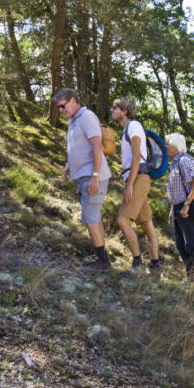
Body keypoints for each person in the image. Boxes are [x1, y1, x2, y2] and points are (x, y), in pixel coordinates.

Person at [54, 89, 112, 272]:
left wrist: (95, 176)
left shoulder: (86, 117)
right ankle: (103, 258)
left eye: (62, 106)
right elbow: (77, 148)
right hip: (82, 176)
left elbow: (97, 145)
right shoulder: (73, 121)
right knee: (93, 217)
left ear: (72, 101)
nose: (61, 110)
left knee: (90, 217)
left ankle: (102, 262)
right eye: (58, 108)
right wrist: (68, 166)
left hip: (92, 176)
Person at [111, 98, 160, 275]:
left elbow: (137, 157)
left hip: (138, 178)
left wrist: (130, 184)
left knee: (122, 220)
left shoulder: (133, 126)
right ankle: (155, 267)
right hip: (138, 177)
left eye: (115, 107)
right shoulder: (128, 129)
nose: (112, 110)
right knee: (147, 224)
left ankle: (138, 265)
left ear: (124, 111)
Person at [165, 133, 194, 280]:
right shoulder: (174, 163)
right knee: (180, 245)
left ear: (176, 146)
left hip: (187, 206)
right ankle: (192, 276)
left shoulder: (185, 160)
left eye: (167, 144)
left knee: (191, 243)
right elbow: (176, 189)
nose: (166, 147)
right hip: (178, 207)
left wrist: (187, 205)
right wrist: (172, 210)